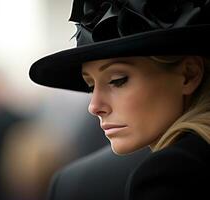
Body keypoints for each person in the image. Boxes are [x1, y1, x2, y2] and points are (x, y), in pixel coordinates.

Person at [29, 0, 210, 199]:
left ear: (189, 74)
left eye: (118, 80)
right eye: (90, 86)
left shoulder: (172, 172)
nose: (94, 107)